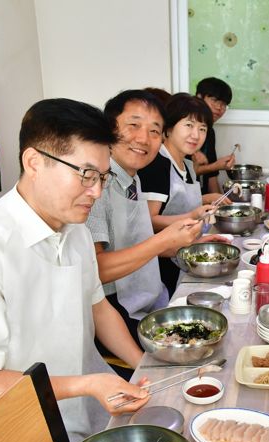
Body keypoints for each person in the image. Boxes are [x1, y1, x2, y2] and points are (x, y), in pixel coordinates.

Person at [0, 99, 152, 442]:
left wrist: (145, 368)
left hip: (72, 393)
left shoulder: (74, 228)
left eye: (101, 176)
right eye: (85, 174)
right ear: (34, 162)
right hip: (1, 415)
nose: (96, 191)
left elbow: (99, 310)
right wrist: (88, 384)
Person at [86, 90, 204, 347]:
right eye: (133, 125)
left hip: (145, 293)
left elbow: (134, 240)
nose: (143, 138)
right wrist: (163, 241)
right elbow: (95, 271)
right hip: (113, 309)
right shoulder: (96, 185)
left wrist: (186, 242)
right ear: (109, 128)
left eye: (153, 131)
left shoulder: (132, 178)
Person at [139, 93, 229, 295]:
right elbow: (148, 220)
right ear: (169, 128)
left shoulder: (187, 165)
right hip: (161, 266)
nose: (196, 135)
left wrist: (206, 200)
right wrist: (192, 215)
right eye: (189, 125)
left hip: (184, 253)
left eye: (202, 128)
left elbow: (177, 200)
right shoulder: (158, 164)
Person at [193, 77, 236, 194]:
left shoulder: (210, 132)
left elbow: (211, 176)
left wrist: (220, 205)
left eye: (223, 104)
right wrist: (215, 166)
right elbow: (180, 175)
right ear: (199, 97)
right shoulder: (183, 130)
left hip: (201, 199)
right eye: (214, 100)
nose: (219, 108)